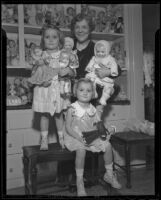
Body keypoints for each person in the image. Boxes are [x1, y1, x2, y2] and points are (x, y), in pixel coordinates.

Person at [63, 78, 121, 196]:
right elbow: (68, 128)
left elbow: (98, 125)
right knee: (81, 150)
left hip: (90, 134)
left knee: (108, 146)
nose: (85, 92)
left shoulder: (92, 109)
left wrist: (106, 130)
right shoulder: (72, 109)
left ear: (93, 93)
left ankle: (109, 174)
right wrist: (79, 138)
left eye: (88, 90)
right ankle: (79, 181)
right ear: (75, 91)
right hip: (75, 135)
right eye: (81, 90)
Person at [31, 24, 75, 150]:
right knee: (44, 115)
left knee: (59, 114)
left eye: (54, 37)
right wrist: (41, 80)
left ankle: (62, 138)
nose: (50, 40)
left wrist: (67, 70)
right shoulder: (40, 55)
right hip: (44, 90)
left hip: (59, 89)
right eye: (47, 37)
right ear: (43, 40)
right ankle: (44, 140)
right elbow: (33, 74)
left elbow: (73, 72)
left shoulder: (65, 54)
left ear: (60, 40)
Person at [85, 40, 118, 105]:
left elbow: (114, 65)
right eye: (98, 51)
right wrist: (89, 67)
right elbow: (91, 63)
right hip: (95, 75)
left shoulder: (110, 58)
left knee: (108, 88)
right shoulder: (94, 58)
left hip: (105, 78)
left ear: (107, 51)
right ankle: (94, 93)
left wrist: (113, 71)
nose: (100, 53)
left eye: (103, 52)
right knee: (91, 82)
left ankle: (103, 98)